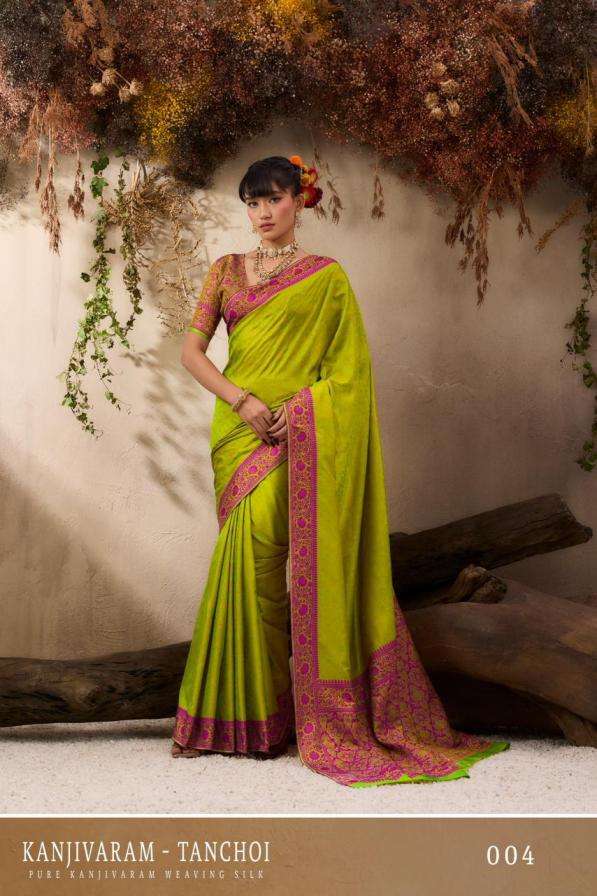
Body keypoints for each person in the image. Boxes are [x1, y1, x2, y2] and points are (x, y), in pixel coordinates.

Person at [170, 154, 510, 787]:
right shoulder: (225, 270)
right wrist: (242, 402)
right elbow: (191, 353)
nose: (262, 213)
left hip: (294, 434)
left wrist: (299, 410)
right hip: (238, 434)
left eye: (273, 199)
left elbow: (349, 374)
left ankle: (277, 715)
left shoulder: (326, 277)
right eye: (252, 202)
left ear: (300, 201)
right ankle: (245, 719)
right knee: (245, 566)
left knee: (266, 558)